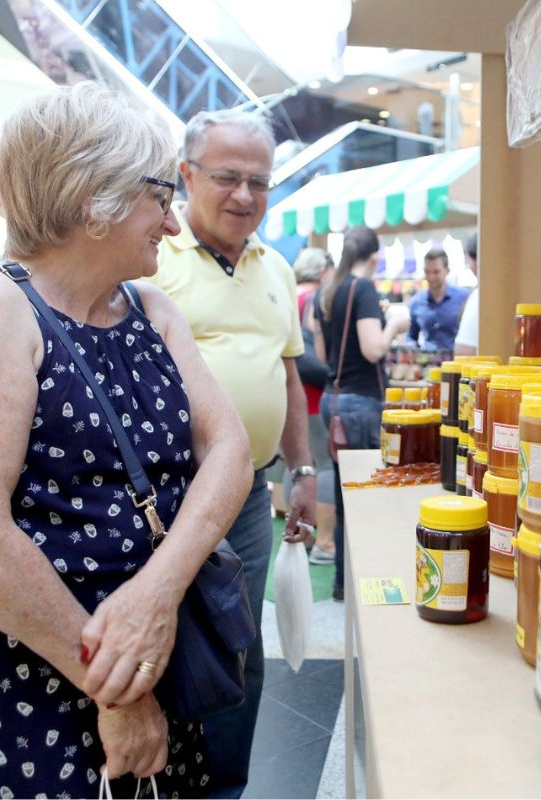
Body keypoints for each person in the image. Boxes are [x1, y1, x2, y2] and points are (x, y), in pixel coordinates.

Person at [0, 82, 253, 797]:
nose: (173, 224)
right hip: (31, 673)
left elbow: (230, 452)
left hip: (150, 654)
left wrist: (155, 596)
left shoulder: (150, 308)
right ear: (94, 197)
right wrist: (118, 691)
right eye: (160, 194)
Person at [148, 108, 316, 797]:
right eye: (227, 178)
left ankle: (223, 786)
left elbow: (286, 374)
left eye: (259, 181)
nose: (244, 195)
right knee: (161, 639)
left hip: (247, 492)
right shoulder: (150, 256)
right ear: (186, 175)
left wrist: (303, 471)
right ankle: (158, 779)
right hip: (163, 494)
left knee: (238, 644)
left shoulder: (275, 266)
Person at [313, 226, 409, 601]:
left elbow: (322, 357)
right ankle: (367, 585)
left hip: (332, 402)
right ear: (374, 258)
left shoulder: (326, 292)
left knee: (344, 496)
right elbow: (373, 349)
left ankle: (343, 583)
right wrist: (395, 326)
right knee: (367, 500)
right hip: (360, 406)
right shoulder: (363, 289)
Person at [291, 247, 337, 565]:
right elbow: (317, 351)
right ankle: (324, 542)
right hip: (312, 397)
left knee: (299, 467)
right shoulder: (313, 299)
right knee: (325, 466)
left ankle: (300, 535)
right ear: (323, 272)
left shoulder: (285, 295)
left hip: (289, 397)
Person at [453, 231, 541, 357]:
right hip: (532, 370)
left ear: (476, 260)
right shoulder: (540, 290)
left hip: (492, 371)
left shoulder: (481, 295)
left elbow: (464, 351)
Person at [405, 248, 469, 351]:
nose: (431, 277)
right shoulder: (416, 302)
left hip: (455, 363)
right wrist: (411, 348)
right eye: (427, 271)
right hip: (427, 363)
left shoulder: (463, 298)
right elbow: (411, 336)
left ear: (447, 271)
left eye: (436, 272)